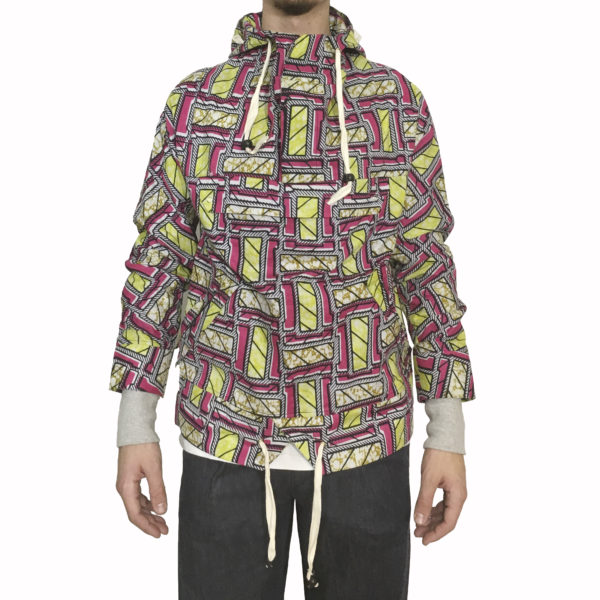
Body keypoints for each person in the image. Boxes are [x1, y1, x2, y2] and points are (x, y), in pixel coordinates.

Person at [110, 2, 476, 598]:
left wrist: (447, 433)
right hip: (225, 440)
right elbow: (159, 264)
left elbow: (427, 270)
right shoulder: (197, 104)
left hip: (366, 446)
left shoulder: (393, 103)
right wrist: (135, 424)